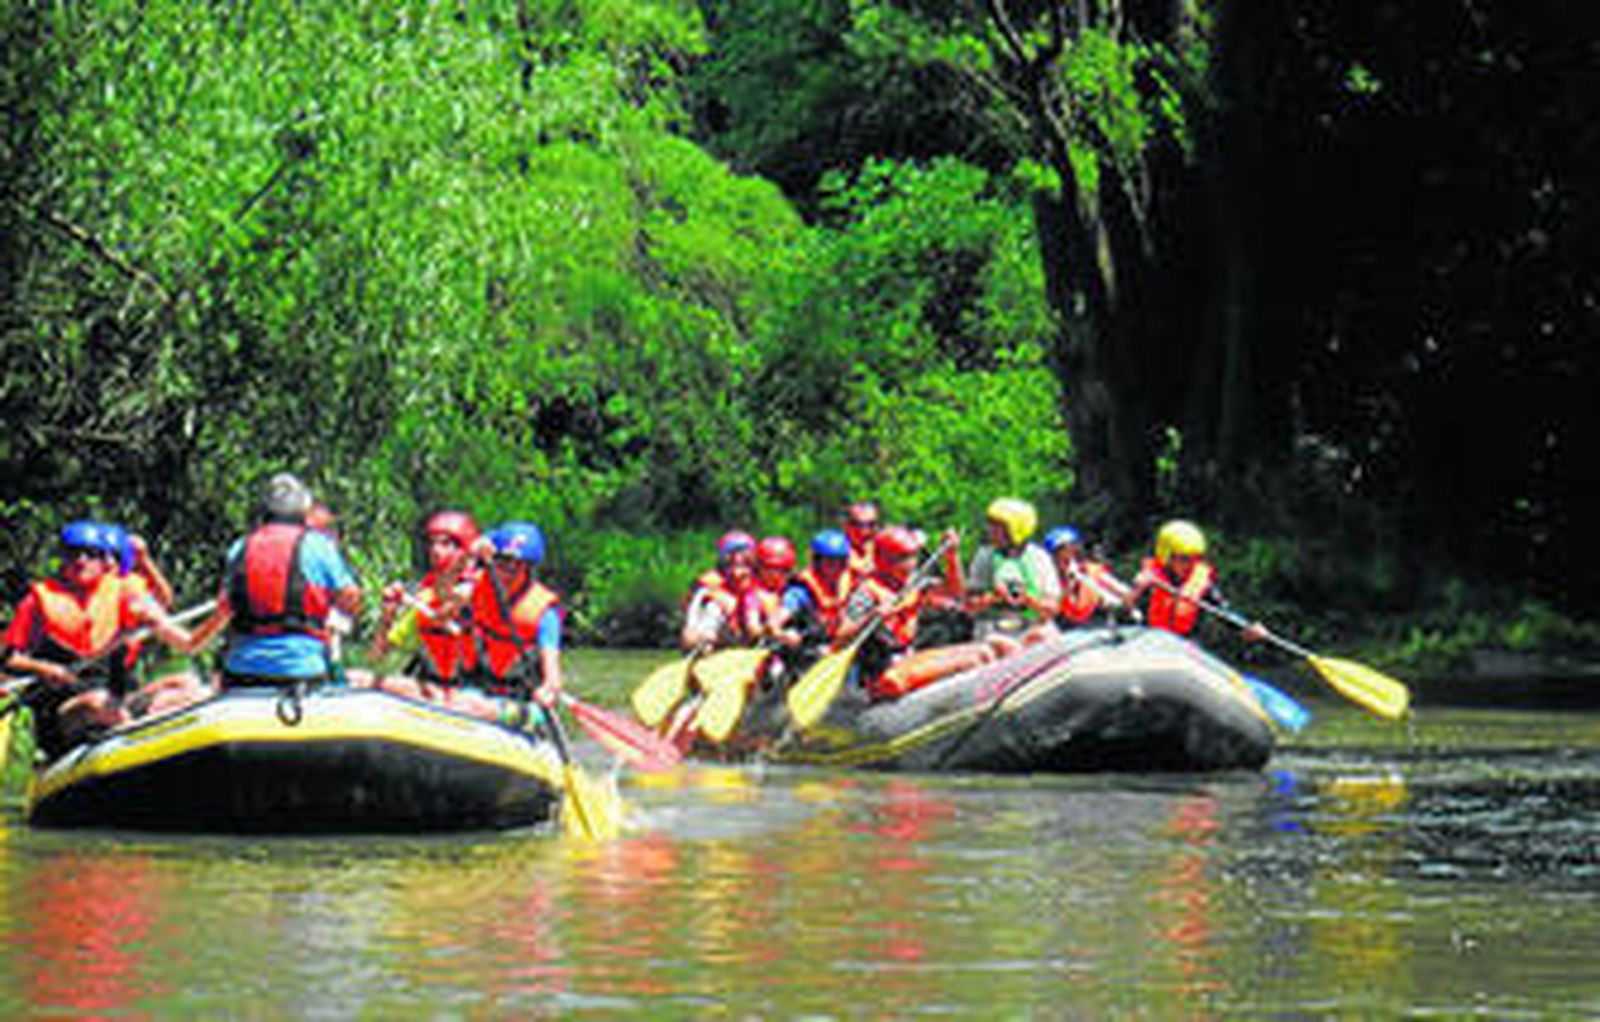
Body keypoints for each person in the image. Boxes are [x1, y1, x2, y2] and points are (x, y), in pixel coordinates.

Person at [2, 521, 207, 760]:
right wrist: (44, 668)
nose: (81, 561)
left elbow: (160, 604)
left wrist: (145, 568)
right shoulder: (38, 601)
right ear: (62, 557)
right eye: (73, 553)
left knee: (186, 684)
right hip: (65, 711)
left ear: (103, 561)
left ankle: (169, 748)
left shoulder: (120, 591)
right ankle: (140, 746)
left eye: (91, 554)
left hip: (117, 701)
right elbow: (7, 656)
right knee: (98, 703)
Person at [183, 473, 364, 690]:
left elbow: (225, 609)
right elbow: (350, 598)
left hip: (242, 673)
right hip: (304, 672)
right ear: (303, 510)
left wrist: (192, 642)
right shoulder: (319, 546)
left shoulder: (240, 547)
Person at [834, 524, 989, 701]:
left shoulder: (913, 582)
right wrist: (872, 616)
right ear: (886, 561)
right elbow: (839, 639)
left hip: (908, 657)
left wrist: (952, 556)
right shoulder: (867, 593)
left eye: (913, 556)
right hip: (886, 676)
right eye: (904, 558)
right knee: (973, 661)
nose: (912, 564)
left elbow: (955, 593)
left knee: (986, 651)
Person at [367, 510, 482, 695]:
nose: (435, 551)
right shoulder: (425, 599)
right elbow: (378, 656)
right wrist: (387, 614)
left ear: (465, 551)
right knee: (358, 678)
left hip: (475, 692)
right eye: (432, 543)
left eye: (446, 544)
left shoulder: (483, 593)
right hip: (434, 688)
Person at [461, 522, 564, 724]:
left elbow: (553, 677)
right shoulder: (474, 588)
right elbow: (452, 563)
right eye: (502, 563)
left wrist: (549, 691)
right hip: (477, 690)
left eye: (516, 566)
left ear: (529, 569)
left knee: (470, 706)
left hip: (522, 702)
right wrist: (474, 552)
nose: (507, 572)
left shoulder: (545, 614)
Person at [1124, 520, 1266, 641]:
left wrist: (1246, 627)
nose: (1190, 565)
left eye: (1195, 558)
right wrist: (1137, 590)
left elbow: (1223, 611)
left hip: (1182, 646)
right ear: (1166, 556)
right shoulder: (1148, 576)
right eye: (1184, 559)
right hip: (1147, 641)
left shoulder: (1201, 580)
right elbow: (1123, 614)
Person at [963, 498, 1060, 643]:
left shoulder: (1039, 558)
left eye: (998, 528)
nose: (991, 532)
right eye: (991, 526)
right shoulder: (984, 557)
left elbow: (1053, 608)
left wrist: (1028, 600)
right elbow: (969, 605)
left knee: (1048, 635)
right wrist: (994, 597)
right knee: (1000, 644)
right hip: (994, 630)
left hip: (1032, 627)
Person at [680, 530, 756, 650]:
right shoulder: (708, 584)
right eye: (732, 563)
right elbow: (688, 608)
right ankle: (705, 646)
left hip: (741, 636)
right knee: (713, 606)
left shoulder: (757, 584)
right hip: (712, 634)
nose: (738, 571)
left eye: (746, 562)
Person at [781, 529, 852, 653]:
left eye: (841, 562)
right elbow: (775, 622)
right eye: (830, 562)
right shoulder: (800, 591)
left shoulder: (848, 586)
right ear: (817, 561)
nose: (836, 568)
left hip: (834, 648)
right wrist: (782, 634)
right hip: (805, 651)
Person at [1044, 526, 1129, 627]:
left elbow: (1122, 591)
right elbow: (1051, 608)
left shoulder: (1092, 571)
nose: (1066, 563)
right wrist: (1069, 584)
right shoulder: (1050, 580)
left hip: (1098, 624)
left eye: (1071, 553)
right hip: (1065, 628)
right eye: (1061, 558)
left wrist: (1116, 600)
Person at [741, 536, 798, 645]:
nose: (774, 574)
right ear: (758, 568)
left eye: (780, 569)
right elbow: (753, 627)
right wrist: (775, 633)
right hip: (759, 646)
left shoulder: (794, 592)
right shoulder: (752, 594)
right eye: (768, 568)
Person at [841, 499, 882, 591]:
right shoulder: (834, 552)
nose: (865, 531)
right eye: (859, 525)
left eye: (872, 524)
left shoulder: (885, 549)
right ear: (846, 525)